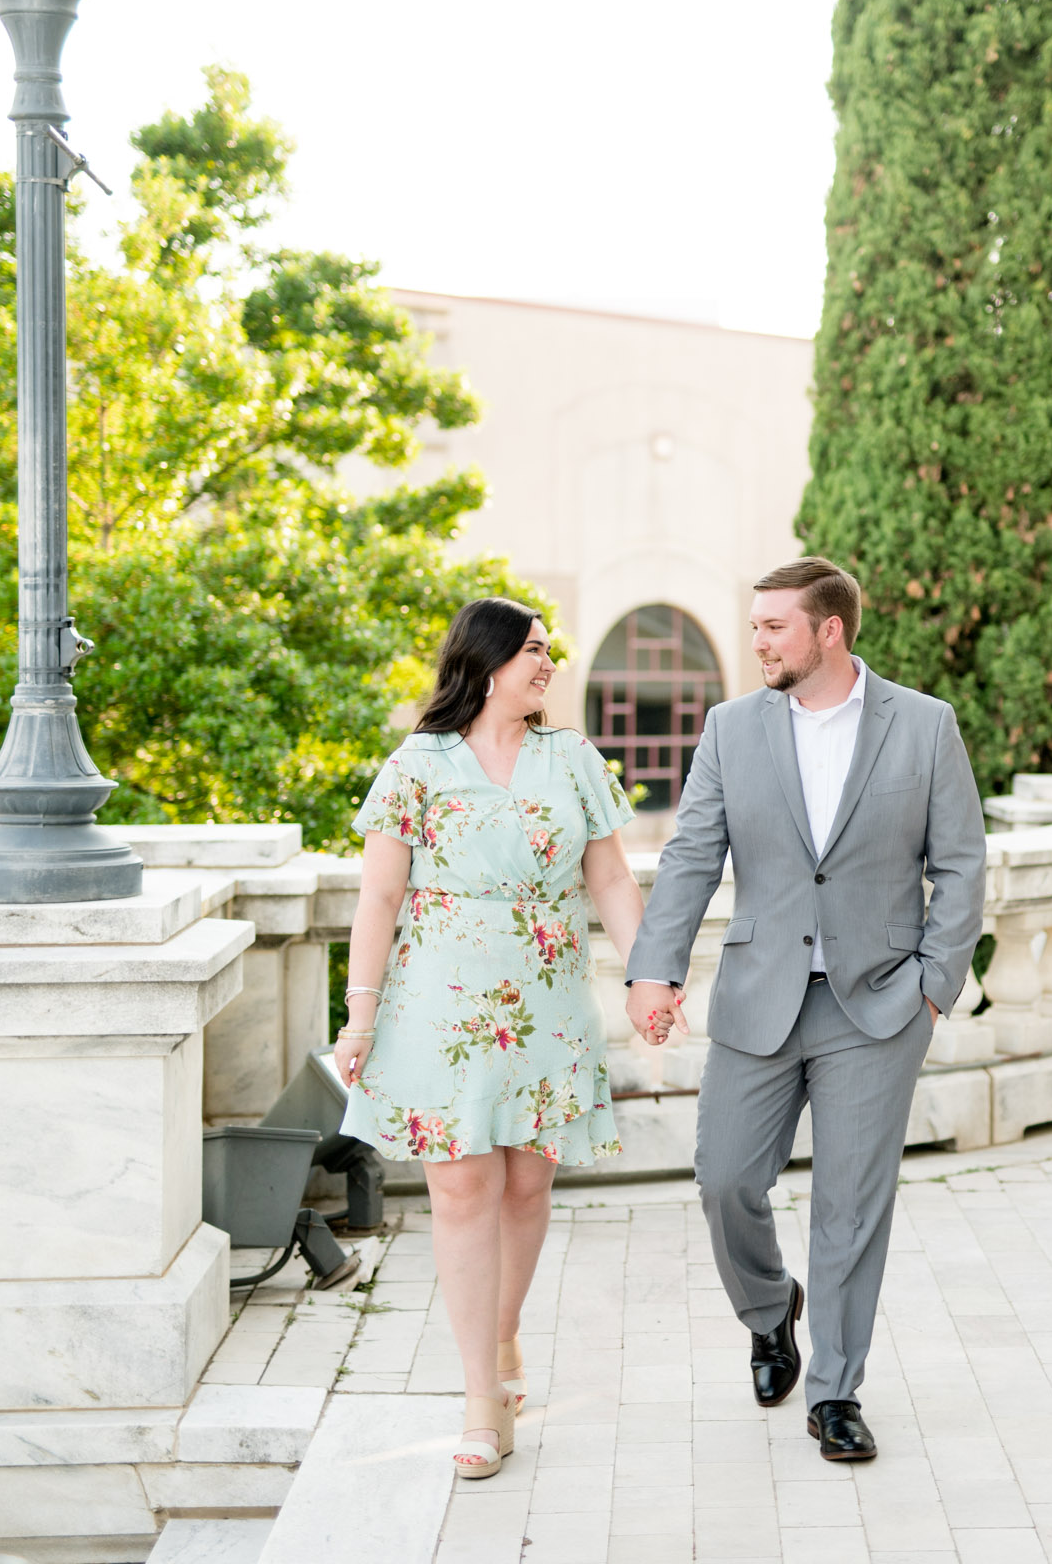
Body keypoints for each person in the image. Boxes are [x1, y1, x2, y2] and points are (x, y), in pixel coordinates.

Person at [626, 556, 986, 1462]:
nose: (756, 642)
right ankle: (766, 1309)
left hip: (877, 1005)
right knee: (724, 1181)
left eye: (773, 627)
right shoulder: (730, 728)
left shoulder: (925, 726)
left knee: (850, 1207)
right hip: (760, 998)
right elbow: (691, 857)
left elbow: (963, 863)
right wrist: (654, 969)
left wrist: (934, 983)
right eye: (753, 627)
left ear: (828, 630)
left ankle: (834, 1393)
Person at [333, 597, 654, 1479]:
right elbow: (379, 900)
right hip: (440, 1001)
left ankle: (504, 1333)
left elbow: (615, 880)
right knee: (463, 1185)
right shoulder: (416, 764)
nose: (547, 663)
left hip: (547, 1000)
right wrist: (360, 1016)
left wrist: (648, 976)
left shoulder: (573, 759)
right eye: (532, 650)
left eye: (550, 649)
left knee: (523, 1183)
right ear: (486, 660)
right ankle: (481, 1396)